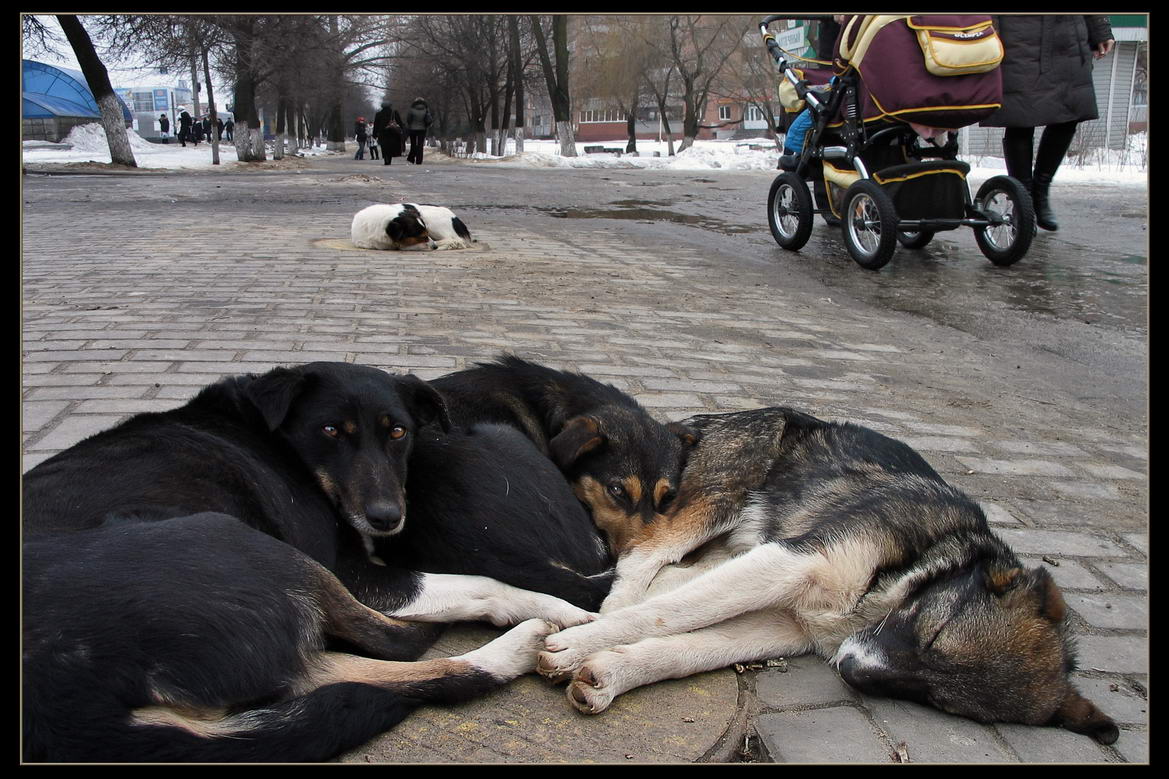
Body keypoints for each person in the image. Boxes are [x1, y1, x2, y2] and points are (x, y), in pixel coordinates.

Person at [980, 15, 1115, 231]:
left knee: (1069, 114)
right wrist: (989, 26)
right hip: (1017, 36)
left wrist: (1100, 28)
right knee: (1020, 118)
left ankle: (1040, 190)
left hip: (1067, 35)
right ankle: (1023, 202)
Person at [372, 101, 404, 165]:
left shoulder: (379, 114)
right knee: (391, 146)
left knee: (384, 147)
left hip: (383, 133)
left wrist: (375, 134)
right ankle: (389, 158)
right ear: (390, 106)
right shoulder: (394, 113)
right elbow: (400, 123)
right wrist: (401, 130)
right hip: (393, 133)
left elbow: (376, 125)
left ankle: (386, 159)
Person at [403, 97, 433, 165]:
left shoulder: (412, 110)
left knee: (413, 144)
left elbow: (408, 119)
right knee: (420, 145)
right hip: (422, 129)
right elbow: (429, 119)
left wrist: (410, 124)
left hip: (412, 129)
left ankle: (411, 158)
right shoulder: (426, 110)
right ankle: (419, 160)